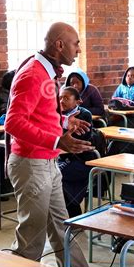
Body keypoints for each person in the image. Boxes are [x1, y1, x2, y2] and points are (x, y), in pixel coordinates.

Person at [5, 22, 93, 267]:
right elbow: (14, 122)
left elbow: (39, 113)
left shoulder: (46, 71)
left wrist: (64, 121)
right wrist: (57, 139)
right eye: (76, 44)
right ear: (60, 45)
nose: (78, 50)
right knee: (31, 238)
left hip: (47, 162)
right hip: (32, 164)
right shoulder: (33, 74)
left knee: (63, 228)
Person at [58, 87, 95, 218]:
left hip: (82, 160)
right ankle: (67, 216)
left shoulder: (84, 115)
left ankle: (73, 216)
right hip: (62, 158)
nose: (62, 101)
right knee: (50, 174)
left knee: (56, 176)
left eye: (66, 98)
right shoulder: (57, 114)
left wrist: (60, 136)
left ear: (77, 102)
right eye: (60, 97)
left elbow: (76, 142)